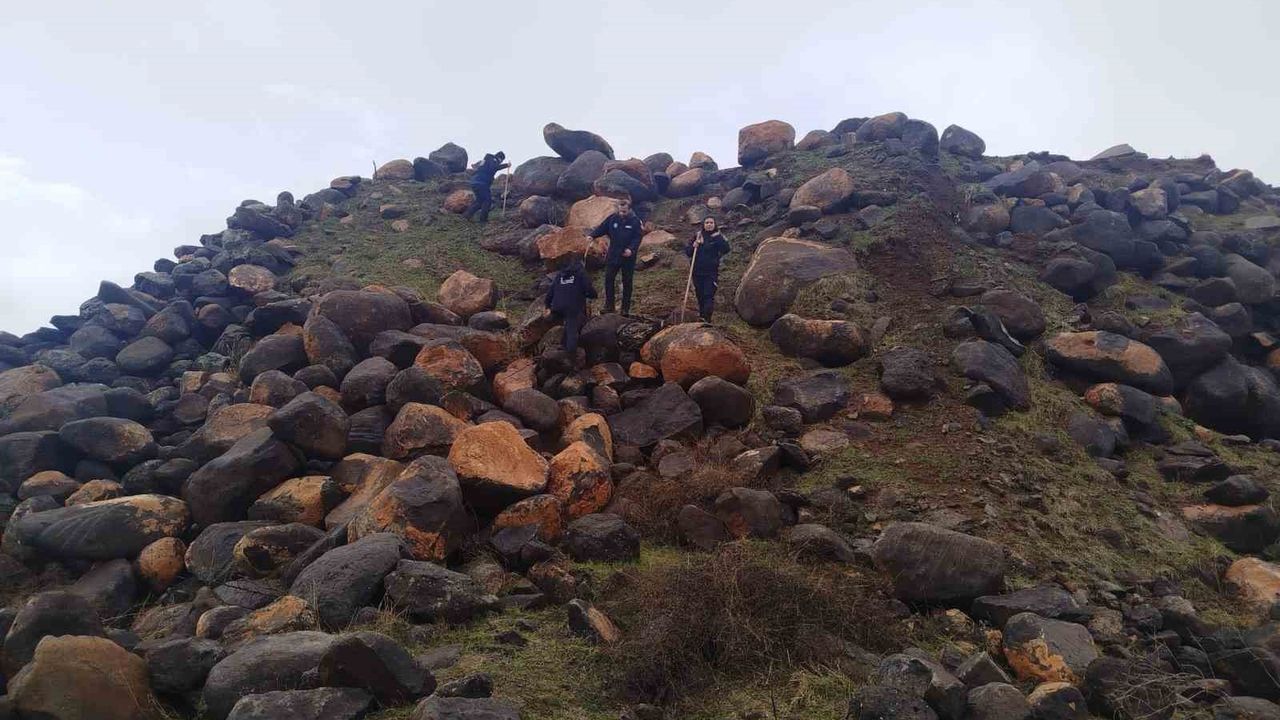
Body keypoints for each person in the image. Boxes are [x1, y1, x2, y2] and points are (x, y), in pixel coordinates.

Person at [589, 196, 644, 315]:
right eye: (620, 211)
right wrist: (592, 235)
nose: (622, 213)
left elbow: (637, 237)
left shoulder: (635, 221)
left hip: (627, 257)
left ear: (629, 209)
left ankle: (625, 309)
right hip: (613, 254)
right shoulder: (613, 218)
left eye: (624, 211)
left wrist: (631, 249)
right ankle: (609, 306)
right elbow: (602, 228)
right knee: (609, 279)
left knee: (627, 282)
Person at [544, 255, 597, 357]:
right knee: (572, 329)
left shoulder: (560, 275)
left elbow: (550, 292)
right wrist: (594, 295)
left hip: (557, 307)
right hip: (572, 307)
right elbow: (588, 288)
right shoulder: (581, 273)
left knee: (568, 324)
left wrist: (547, 306)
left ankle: (562, 345)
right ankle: (570, 356)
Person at [685, 216, 731, 321]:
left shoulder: (718, 236)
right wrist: (694, 246)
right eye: (707, 222)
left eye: (711, 222)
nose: (709, 224)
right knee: (700, 296)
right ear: (703, 225)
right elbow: (688, 252)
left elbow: (726, 249)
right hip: (697, 272)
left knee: (708, 295)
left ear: (714, 224)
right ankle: (702, 318)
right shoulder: (697, 236)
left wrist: (718, 238)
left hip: (711, 273)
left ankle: (707, 319)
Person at [464, 151, 510, 223]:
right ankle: (483, 220)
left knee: (479, 201)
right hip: (482, 183)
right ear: (500, 158)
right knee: (487, 201)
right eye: (501, 161)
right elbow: (494, 167)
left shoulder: (487, 160)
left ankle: (466, 216)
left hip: (475, 182)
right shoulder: (493, 160)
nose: (500, 162)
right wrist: (506, 165)